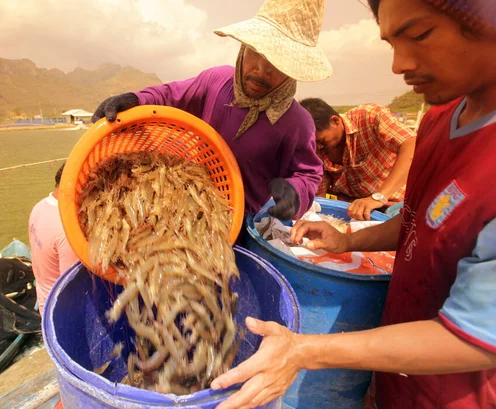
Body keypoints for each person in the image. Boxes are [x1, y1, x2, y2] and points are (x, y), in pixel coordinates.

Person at [210, 0, 496, 408]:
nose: (397, 64)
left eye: (418, 35)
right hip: (394, 375)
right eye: (391, 42)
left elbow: (474, 338)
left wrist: (303, 350)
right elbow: (421, 223)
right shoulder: (436, 121)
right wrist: (346, 242)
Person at [92, 0, 331, 221]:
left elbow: (308, 175)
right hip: (184, 199)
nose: (262, 69)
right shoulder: (216, 81)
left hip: (239, 220)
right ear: (243, 49)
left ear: (292, 70)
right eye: (256, 52)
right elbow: (169, 95)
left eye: (279, 62)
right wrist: (135, 99)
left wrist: (295, 193)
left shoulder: (298, 123)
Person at [300, 98, 416, 221]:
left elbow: (411, 145)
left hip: (395, 207)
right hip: (354, 212)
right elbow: (320, 195)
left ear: (335, 121)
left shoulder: (370, 117)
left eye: (321, 141)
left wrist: (378, 197)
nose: (318, 147)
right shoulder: (315, 148)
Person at [28, 162, 78, 314]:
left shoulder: (40, 206)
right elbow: (73, 287)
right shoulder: (67, 229)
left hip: (43, 294)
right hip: (59, 308)